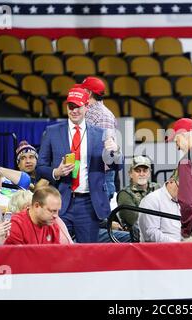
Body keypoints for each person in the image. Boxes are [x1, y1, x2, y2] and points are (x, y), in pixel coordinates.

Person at [36, 86, 123, 243]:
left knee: (88, 256)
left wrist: (115, 152)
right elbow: (40, 166)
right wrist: (56, 172)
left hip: (89, 204)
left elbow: (117, 166)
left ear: (87, 107)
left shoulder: (100, 134)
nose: (74, 111)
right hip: (59, 202)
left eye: (78, 106)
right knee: (55, 252)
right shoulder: (52, 132)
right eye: (71, 106)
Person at [78, 76, 119, 200]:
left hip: (100, 176)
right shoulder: (90, 112)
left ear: (89, 93)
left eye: (83, 90)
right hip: (91, 174)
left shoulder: (102, 115)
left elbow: (105, 150)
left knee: (100, 217)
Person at [8, 189, 73, 244]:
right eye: (52, 211)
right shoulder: (17, 224)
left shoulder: (52, 225)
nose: (56, 216)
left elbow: (56, 255)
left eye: (57, 211)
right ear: (36, 206)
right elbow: (15, 257)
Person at [117, 155, 160, 231]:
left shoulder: (157, 188)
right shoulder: (124, 194)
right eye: (138, 171)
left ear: (149, 173)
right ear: (130, 174)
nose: (142, 174)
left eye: (145, 171)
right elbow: (136, 220)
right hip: (137, 237)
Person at [138, 170, 181, 242]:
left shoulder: (183, 201)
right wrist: (179, 245)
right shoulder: (152, 200)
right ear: (171, 181)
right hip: (160, 250)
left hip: (182, 247)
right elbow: (150, 234)